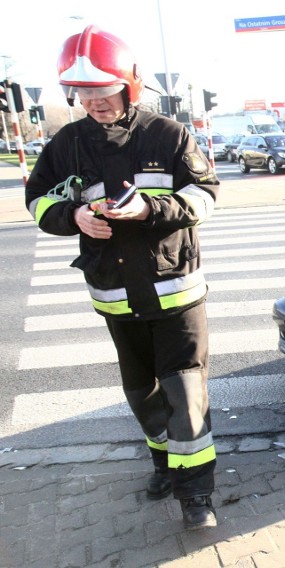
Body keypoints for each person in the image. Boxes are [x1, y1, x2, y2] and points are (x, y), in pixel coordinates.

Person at [24, 26, 220, 529]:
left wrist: (150, 209)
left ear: (129, 85)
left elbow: (204, 196)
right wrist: (72, 218)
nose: (95, 103)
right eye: (84, 93)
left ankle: (196, 496)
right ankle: (163, 464)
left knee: (184, 392)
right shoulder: (66, 144)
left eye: (104, 91)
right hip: (113, 296)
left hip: (175, 291)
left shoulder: (169, 135)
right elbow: (38, 198)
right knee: (142, 391)